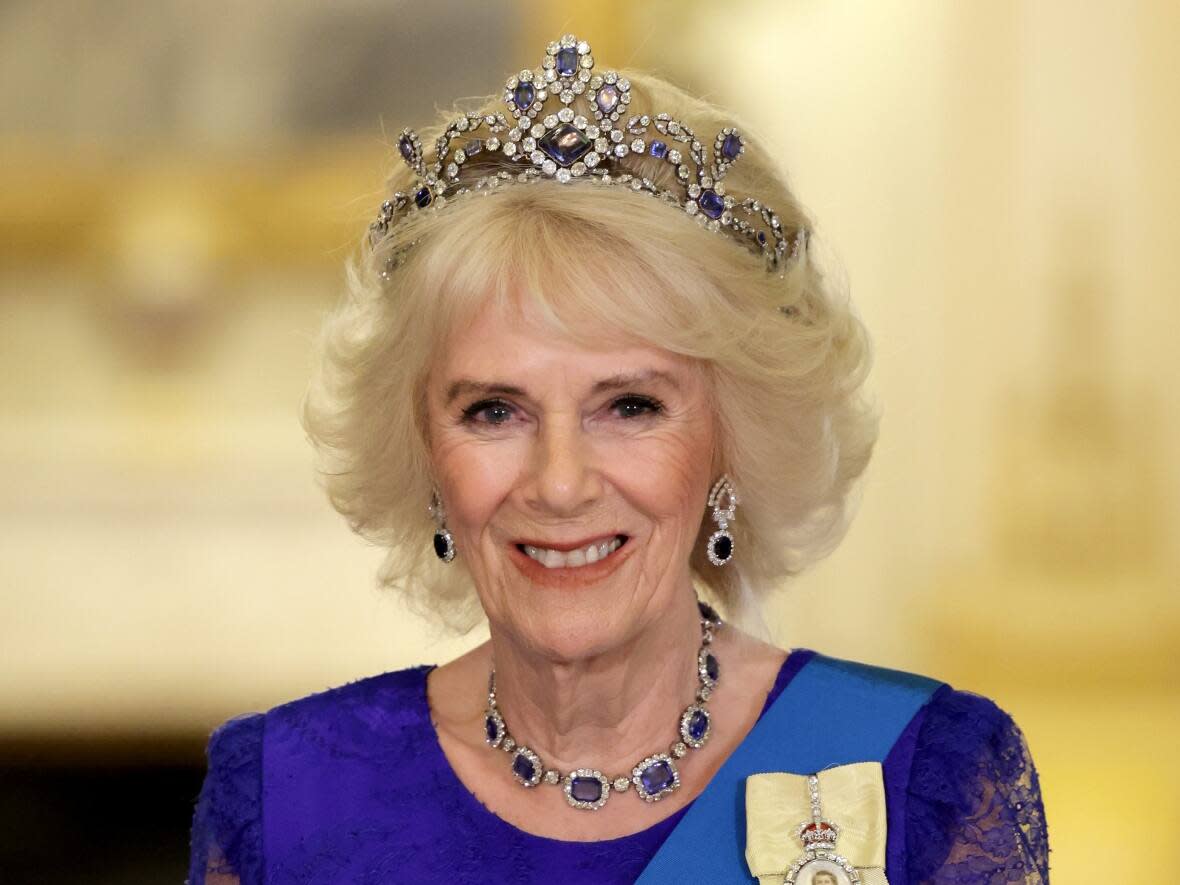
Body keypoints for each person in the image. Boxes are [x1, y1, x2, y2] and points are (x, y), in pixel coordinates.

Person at [187, 34, 1049, 884]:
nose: (559, 482)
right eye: (494, 410)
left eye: (629, 406)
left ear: (728, 440)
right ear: (424, 449)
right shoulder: (284, 801)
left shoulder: (916, 777)